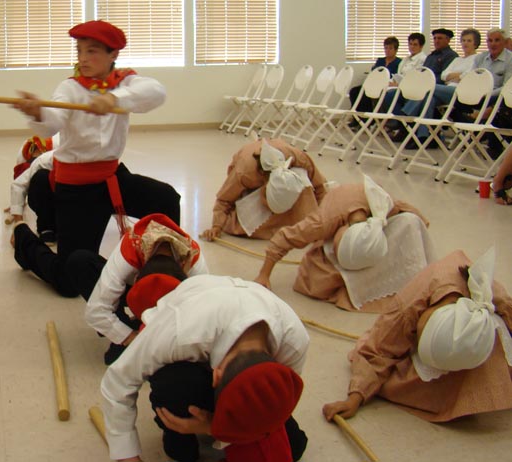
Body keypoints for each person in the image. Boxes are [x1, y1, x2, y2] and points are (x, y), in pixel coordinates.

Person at [11, 20, 180, 294]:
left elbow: (156, 92)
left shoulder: (125, 82)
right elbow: (54, 122)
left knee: (166, 199)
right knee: (69, 283)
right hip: (76, 187)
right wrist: (37, 112)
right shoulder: (70, 88)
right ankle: (23, 241)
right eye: (79, 51)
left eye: (92, 51)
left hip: (112, 175)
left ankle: (162, 269)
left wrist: (115, 100)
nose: (83, 58)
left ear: (113, 55)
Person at [100, 274, 308, 462]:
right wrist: (128, 457)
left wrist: (212, 427)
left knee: (295, 446)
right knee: (174, 390)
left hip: (224, 320)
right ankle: (181, 435)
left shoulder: (294, 342)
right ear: (215, 376)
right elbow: (118, 380)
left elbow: (277, 398)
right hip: (186, 339)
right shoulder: (179, 333)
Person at [322, 248, 512, 423]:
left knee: (495, 330)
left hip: (476, 343)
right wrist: (356, 397)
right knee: (383, 365)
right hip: (420, 326)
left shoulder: (491, 297)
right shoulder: (410, 307)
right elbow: (378, 349)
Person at [254, 176, 431, 313]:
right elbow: (287, 236)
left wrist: (422, 221)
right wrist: (264, 274)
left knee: (410, 222)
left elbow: (407, 210)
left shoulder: (383, 205)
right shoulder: (325, 221)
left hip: (370, 226)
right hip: (336, 223)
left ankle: (414, 281)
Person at [84, 214, 209, 364]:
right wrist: (129, 337)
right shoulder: (128, 251)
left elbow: (203, 316)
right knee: (81, 262)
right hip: (131, 291)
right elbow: (95, 311)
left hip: (172, 309)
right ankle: (127, 323)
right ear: (136, 278)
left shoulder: (194, 262)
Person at [201, 139, 327, 242]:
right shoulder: (244, 172)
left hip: (289, 171)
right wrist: (216, 226)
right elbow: (224, 199)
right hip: (252, 176)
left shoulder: (299, 158)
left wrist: (326, 217)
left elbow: (319, 186)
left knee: (303, 181)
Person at [7, 149, 57, 243]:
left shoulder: (91, 158)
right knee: (41, 176)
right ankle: (46, 227)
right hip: (53, 202)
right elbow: (18, 185)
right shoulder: (45, 160)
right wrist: (19, 226)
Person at [348, 37, 401, 111]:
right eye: (386, 48)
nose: (387, 50)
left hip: (386, 86)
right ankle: (357, 117)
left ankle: (368, 117)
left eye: (390, 48)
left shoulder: (399, 63)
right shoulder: (380, 61)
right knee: (354, 91)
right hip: (374, 84)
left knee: (370, 95)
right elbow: (373, 73)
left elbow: (397, 77)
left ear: (396, 50)